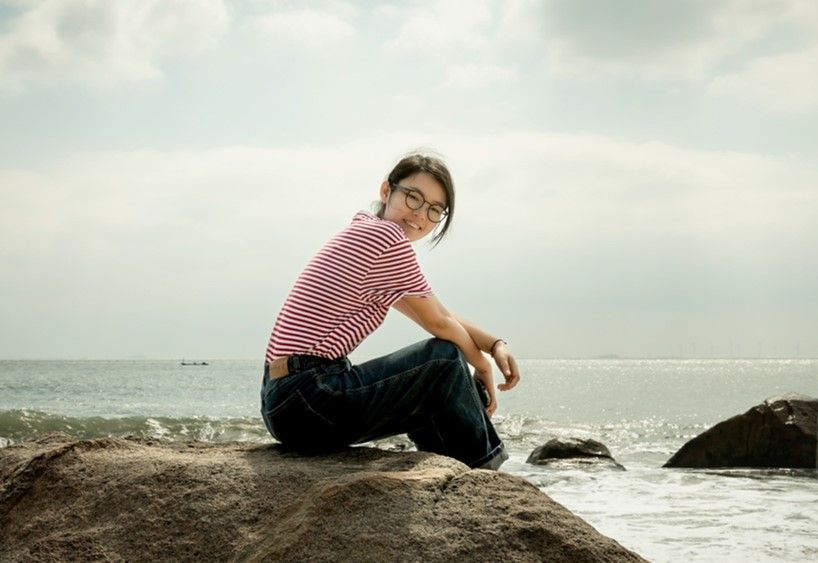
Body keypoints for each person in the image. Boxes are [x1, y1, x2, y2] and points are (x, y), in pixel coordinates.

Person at [260, 151, 520, 470]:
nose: (420, 214)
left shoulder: (366, 231)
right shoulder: (386, 238)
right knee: (444, 360)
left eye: (434, 209)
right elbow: (439, 323)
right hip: (308, 394)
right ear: (387, 190)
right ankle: (483, 472)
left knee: (433, 379)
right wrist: (481, 365)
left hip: (284, 399)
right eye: (413, 198)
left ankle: (451, 469)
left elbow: (438, 313)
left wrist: (494, 344)